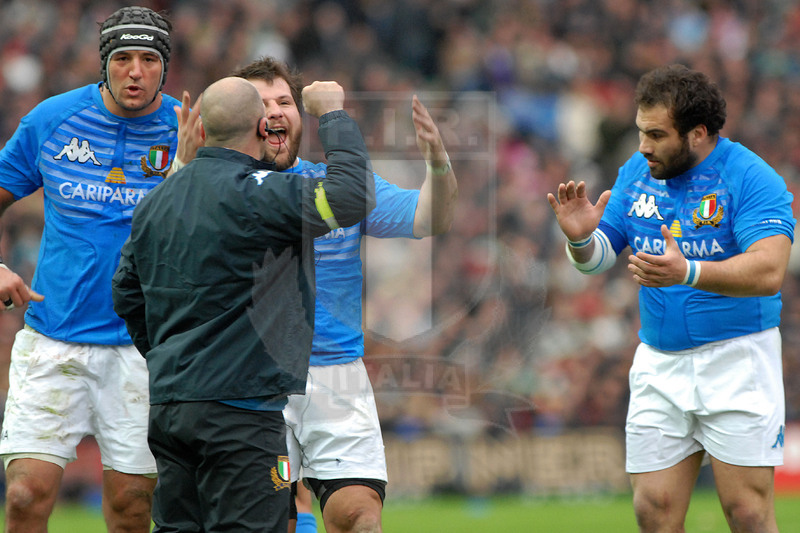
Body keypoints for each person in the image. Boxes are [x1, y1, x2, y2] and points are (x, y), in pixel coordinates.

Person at [111, 76, 375, 532]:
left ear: (202, 131)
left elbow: (125, 293)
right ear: (260, 127)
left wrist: (166, 355)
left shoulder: (156, 200)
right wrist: (333, 115)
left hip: (172, 408)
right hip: (242, 411)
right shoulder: (260, 193)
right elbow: (352, 197)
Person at [547, 63, 794, 533]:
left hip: (737, 360)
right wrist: (580, 240)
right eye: (642, 131)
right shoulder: (637, 173)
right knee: (653, 511)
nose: (643, 146)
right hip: (660, 363)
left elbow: (769, 270)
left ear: (698, 133)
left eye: (657, 135)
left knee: (747, 513)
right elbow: (598, 258)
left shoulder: (751, 177)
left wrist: (688, 272)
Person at [229, 57, 458, 533]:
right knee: (269, 522)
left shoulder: (340, 188)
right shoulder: (222, 191)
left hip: (337, 377)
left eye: (284, 101)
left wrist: (438, 165)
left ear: (300, 116)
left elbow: (428, 217)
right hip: (252, 379)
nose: (274, 110)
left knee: (359, 518)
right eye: (261, 102)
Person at [0, 6, 183, 532]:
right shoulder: (51, 120)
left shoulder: (186, 129)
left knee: (132, 508)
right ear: (104, 63)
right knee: (24, 495)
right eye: (122, 58)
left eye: (148, 59)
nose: (135, 71)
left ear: (164, 66)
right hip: (53, 338)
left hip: (145, 348)